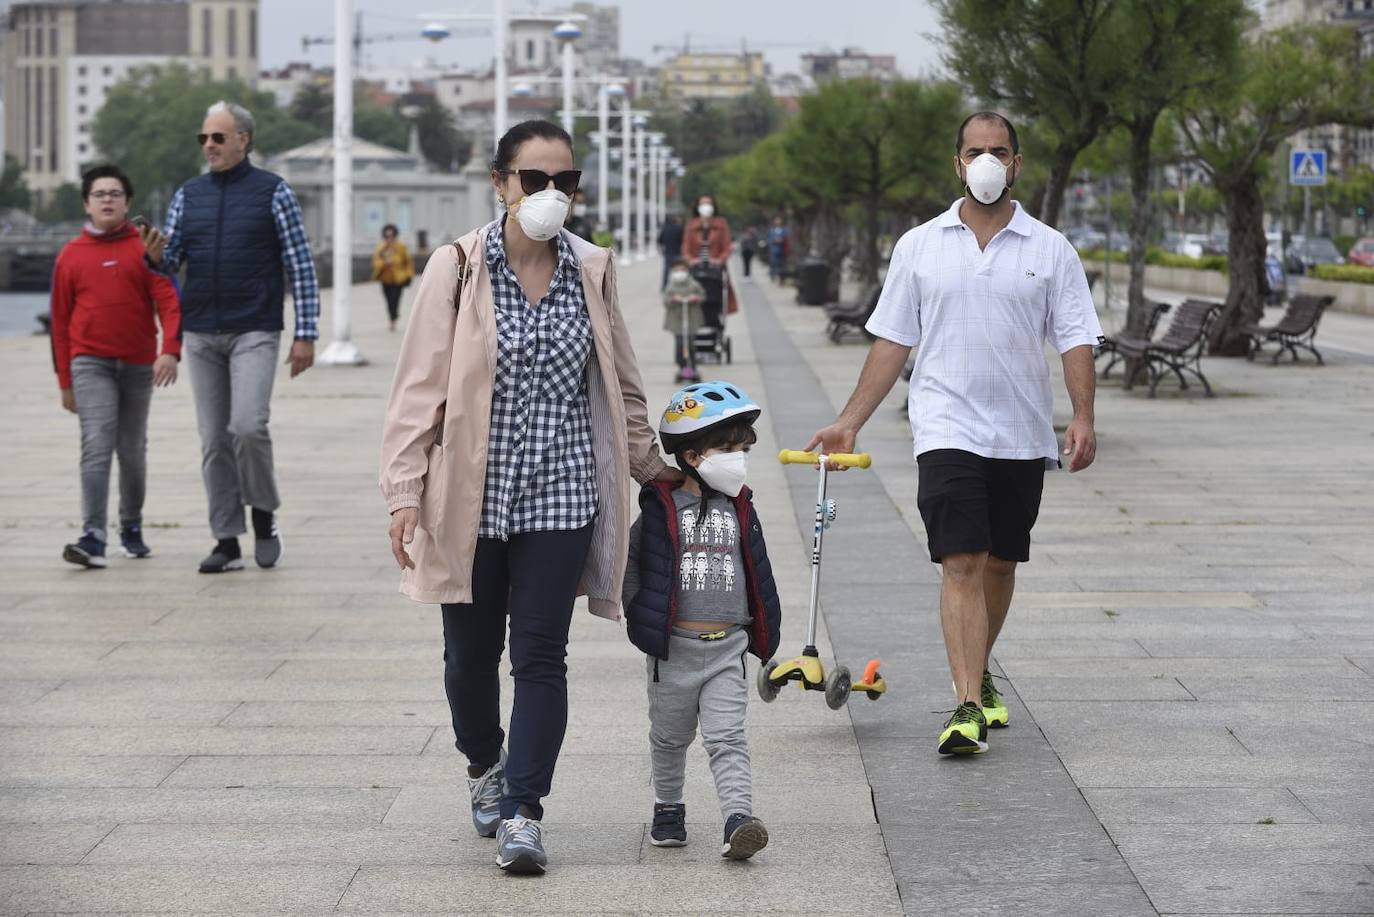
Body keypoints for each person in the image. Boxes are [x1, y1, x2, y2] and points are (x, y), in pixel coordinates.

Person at [380, 120, 683, 876]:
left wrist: (656, 469)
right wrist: (403, 490)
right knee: (469, 654)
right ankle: (485, 761)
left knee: (542, 654)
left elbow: (625, 383)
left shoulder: (593, 268)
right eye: (534, 179)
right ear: (500, 183)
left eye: (564, 182)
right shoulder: (456, 268)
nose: (551, 195)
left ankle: (523, 809)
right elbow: (418, 387)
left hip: (563, 491)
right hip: (471, 496)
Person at [807, 112, 1102, 757]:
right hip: (944, 425)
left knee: (999, 563)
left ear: (1017, 163)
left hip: (1021, 432)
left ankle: (982, 670)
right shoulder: (920, 245)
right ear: (958, 164)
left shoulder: (1051, 248)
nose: (988, 161)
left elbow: (1077, 336)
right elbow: (892, 340)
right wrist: (850, 420)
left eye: (999, 151)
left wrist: (1081, 416)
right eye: (976, 151)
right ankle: (966, 704)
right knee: (961, 560)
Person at [141, 100, 320, 574]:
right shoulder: (188, 194)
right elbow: (170, 257)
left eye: (217, 137)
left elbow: (300, 265)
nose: (209, 146)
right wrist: (154, 256)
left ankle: (264, 516)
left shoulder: (274, 192)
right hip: (201, 332)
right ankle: (226, 538)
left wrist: (306, 333)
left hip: (255, 328)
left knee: (247, 426)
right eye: (203, 138)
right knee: (214, 440)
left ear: (243, 139)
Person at [622, 381, 781, 859]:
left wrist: (761, 627)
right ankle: (668, 807)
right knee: (669, 738)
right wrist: (640, 615)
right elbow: (631, 566)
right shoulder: (660, 511)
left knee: (727, 736)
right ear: (692, 456)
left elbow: (758, 569)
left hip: (727, 648)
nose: (739, 460)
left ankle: (738, 819)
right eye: (728, 450)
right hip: (674, 653)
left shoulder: (742, 509)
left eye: (742, 450)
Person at [50, 164, 181, 568]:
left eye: (115, 194)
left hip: (139, 365)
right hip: (90, 364)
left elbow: (169, 301)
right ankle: (92, 535)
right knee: (96, 444)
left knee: (132, 451)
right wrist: (65, 382)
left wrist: (170, 349)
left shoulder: (145, 248)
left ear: (127, 203)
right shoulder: (70, 255)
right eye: (99, 194)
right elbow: (59, 321)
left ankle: (132, 526)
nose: (107, 200)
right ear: (87, 204)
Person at [680, 195, 737, 327]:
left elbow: (727, 246)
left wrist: (719, 260)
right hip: (696, 268)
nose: (706, 207)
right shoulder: (691, 225)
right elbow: (685, 248)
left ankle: (714, 319)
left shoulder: (721, 224)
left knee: (715, 293)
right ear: (698, 207)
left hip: (715, 269)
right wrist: (691, 260)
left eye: (709, 203)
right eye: (703, 204)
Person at [662, 258, 706, 383]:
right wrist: (673, 299)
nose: (679, 273)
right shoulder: (671, 286)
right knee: (680, 343)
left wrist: (695, 298)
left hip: (691, 318)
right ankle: (681, 367)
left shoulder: (693, 284)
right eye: (677, 270)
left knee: (690, 343)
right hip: (676, 320)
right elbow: (666, 300)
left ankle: (693, 367)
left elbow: (702, 295)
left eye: (682, 270)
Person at [372, 224, 415, 332]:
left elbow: (407, 261)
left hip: (398, 278)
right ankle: (392, 317)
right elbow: (376, 262)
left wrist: (409, 275)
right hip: (385, 278)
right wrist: (384, 263)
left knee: (395, 298)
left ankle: (393, 318)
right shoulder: (381, 247)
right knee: (388, 299)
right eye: (387, 236)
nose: (389, 238)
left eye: (391, 236)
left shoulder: (401, 246)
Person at [658, 213, 685, 290]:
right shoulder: (679, 228)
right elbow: (683, 240)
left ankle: (664, 286)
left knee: (666, 271)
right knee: (679, 270)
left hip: (668, 252)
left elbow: (660, 240)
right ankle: (679, 286)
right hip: (678, 252)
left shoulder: (665, 228)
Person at [767, 216, 790, 284]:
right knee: (773, 263)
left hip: (782, 250)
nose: (778, 222)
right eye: (777, 220)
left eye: (779, 220)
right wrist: (774, 240)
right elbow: (769, 239)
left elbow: (787, 238)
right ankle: (773, 275)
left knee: (782, 265)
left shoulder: (785, 230)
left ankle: (782, 278)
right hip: (774, 250)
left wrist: (781, 240)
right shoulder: (771, 230)